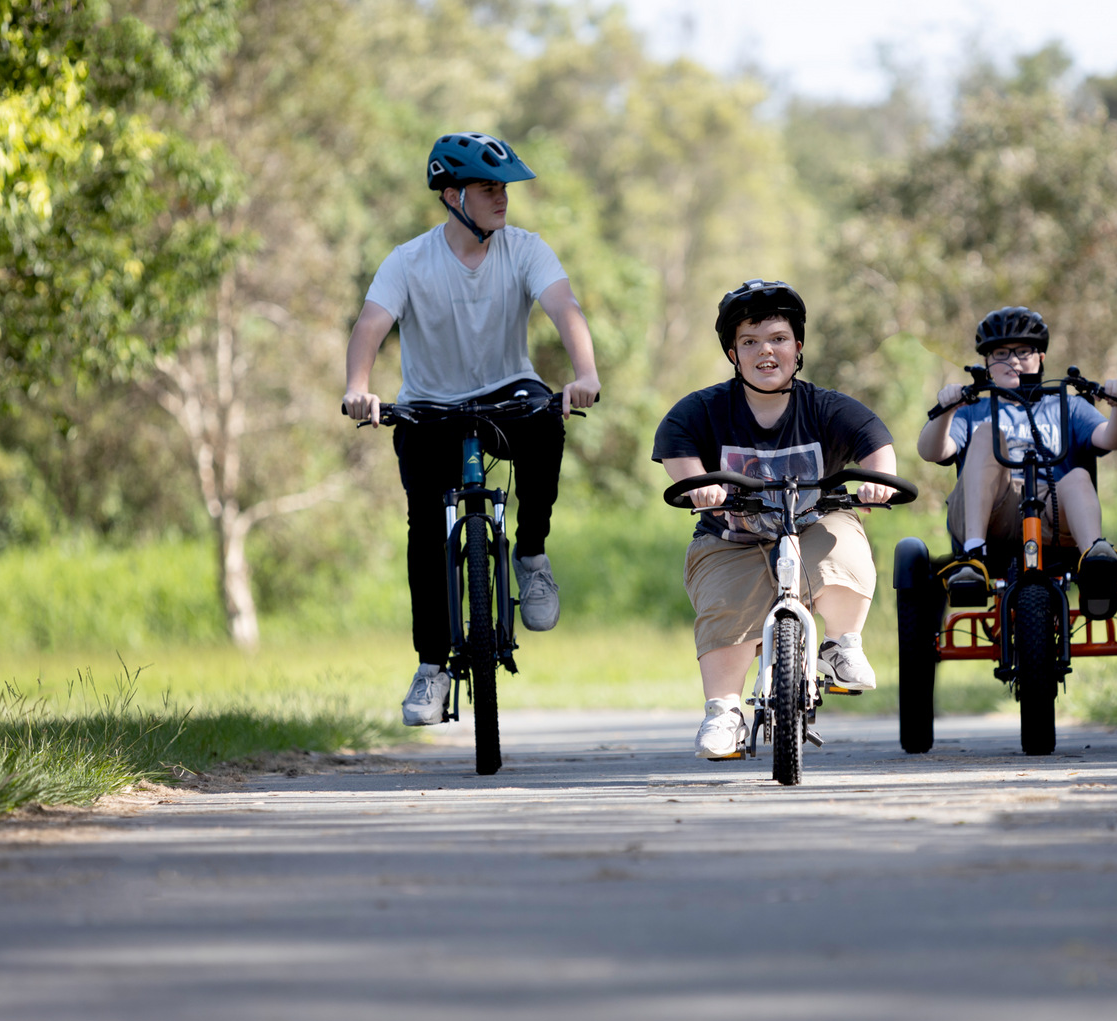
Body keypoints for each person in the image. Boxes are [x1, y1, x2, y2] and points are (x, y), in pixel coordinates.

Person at [342, 132, 600, 726]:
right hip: (429, 405)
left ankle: (530, 555)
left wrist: (584, 373)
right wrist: (359, 388)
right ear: (453, 195)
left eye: (504, 187)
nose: (502, 197)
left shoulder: (525, 249)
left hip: (509, 391)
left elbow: (565, 308)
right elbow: (369, 326)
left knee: (548, 423)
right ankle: (431, 667)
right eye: (489, 188)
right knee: (425, 530)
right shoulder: (408, 260)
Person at [653, 280, 899, 760]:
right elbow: (678, 451)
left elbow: (875, 442)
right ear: (733, 353)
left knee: (844, 543)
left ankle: (840, 643)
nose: (766, 351)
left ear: (798, 348)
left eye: (778, 339)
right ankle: (723, 711)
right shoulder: (701, 410)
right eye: (749, 342)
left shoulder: (825, 408)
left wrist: (879, 480)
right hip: (731, 538)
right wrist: (699, 485)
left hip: (812, 527)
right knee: (726, 604)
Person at [915, 306, 1117, 614]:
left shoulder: (1066, 405)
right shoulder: (973, 410)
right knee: (987, 434)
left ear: (1041, 358)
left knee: (1078, 477)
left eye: (1023, 351)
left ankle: (1094, 561)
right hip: (992, 512)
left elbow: (1112, 438)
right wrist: (947, 410)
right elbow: (932, 452)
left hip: (1054, 512)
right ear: (987, 363)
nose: (1013, 360)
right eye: (1001, 353)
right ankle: (973, 557)